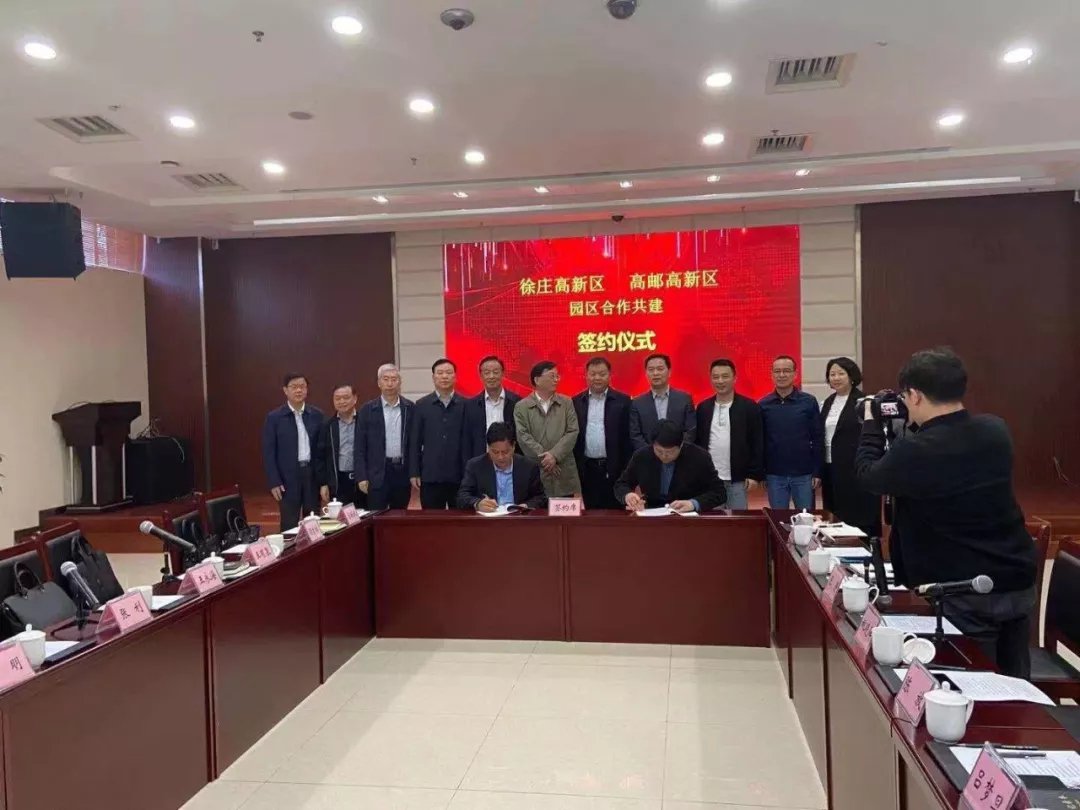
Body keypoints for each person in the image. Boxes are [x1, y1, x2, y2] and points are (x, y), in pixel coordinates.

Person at [855, 348, 1036, 678]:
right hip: (1015, 579)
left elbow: (869, 475)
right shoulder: (995, 430)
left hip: (963, 590)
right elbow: (944, 454)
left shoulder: (916, 451)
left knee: (972, 681)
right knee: (1016, 681)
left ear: (915, 395)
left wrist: (871, 422)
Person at [820, 357, 881, 536]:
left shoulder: (864, 401)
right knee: (833, 511)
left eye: (841, 373)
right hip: (830, 466)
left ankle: (863, 545)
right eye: (832, 374)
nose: (836, 378)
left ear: (851, 376)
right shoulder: (828, 402)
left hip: (854, 466)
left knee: (856, 512)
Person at [694, 359, 764, 509]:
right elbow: (698, 443)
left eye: (725, 376)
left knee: (738, 520)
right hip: (710, 479)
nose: (720, 381)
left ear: (734, 378)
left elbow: (757, 442)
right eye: (716, 377)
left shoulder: (749, 407)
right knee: (712, 521)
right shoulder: (703, 408)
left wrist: (754, 475)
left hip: (738, 480)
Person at [615, 419, 726, 513]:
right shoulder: (642, 456)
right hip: (652, 514)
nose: (664, 456)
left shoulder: (699, 457)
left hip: (687, 515)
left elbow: (719, 492)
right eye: (659, 451)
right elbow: (621, 484)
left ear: (681, 445)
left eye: (670, 452)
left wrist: (693, 504)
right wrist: (627, 495)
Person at [261, 372, 325, 531]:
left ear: (307, 389)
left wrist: (324, 481)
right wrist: (274, 481)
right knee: (289, 524)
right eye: (294, 387)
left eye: (302, 386)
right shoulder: (274, 418)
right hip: (287, 478)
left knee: (313, 522)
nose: (298, 390)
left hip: (311, 475)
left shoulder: (317, 415)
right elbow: (269, 452)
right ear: (285, 390)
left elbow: (323, 450)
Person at [759, 355, 823, 510]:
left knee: (806, 518)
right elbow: (760, 441)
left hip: (804, 474)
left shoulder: (808, 401)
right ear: (772, 374)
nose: (782, 375)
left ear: (795, 374)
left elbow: (818, 438)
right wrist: (761, 473)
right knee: (778, 519)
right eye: (777, 371)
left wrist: (817, 472)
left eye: (786, 371)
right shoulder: (763, 404)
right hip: (774, 475)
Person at [513, 360, 582, 497]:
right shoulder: (522, 406)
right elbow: (523, 436)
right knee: (537, 507)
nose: (556, 380)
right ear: (537, 380)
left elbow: (572, 431)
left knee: (565, 509)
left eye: (557, 376)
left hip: (563, 471)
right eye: (552, 376)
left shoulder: (566, 402)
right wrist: (546, 459)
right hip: (536, 471)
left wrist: (554, 455)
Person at [572, 356, 632, 509]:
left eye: (602, 374)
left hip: (615, 469)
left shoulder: (624, 401)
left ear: (610, 375)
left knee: (615, 515)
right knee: (589, 515)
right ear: (586, 376)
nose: (597, 378)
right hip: (586, 469)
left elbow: (627, 439)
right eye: (593, 374)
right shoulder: (576, 402)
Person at [409, 358, 467, 509]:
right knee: (432, 519)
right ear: (433, 377)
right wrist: (414, 472)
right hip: (430, 475)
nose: (444, 376)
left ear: (455, 376)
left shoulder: (466, 405)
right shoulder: (421, 405)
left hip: (460, 476)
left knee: (461, 519)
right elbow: (414, 442)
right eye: (440, 373)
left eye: (448, 373)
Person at [356, 364, 415, 510]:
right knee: (376, 516)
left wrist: (414, 472)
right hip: (376, 473)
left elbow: (415, 444)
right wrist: (362, 476)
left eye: (394, 379)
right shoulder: (367, 410)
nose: (390, 384)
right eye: (386, 379)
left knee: (400, 516)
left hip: (402, 472)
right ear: (379, 383)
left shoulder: (410, 408)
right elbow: (359, 446)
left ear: (400, 382)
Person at [457, 422, 548, 512]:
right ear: (488, 448)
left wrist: (525, 506)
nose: (500, 457)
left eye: (505, 452)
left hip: (518, 518)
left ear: (513, 446)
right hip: (489, 518)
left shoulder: (528, 467)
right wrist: (477, 503)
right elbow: (462, 496)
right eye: (495, 452)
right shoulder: (475, 466)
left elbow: (540, 497)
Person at [314, 383, 366, 509]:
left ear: (355, 398)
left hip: (362, 481)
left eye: (346, 397)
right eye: (337, 398)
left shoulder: (365, 422)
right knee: (341, 519)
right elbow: (320, 456)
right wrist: (323, 483)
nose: (342, 401)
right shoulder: (328, 426)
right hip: (339, 482)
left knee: (365, 517)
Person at [629, 353, 696, 450]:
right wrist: (652, 453)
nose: (655, 373)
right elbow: (635, 435)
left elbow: (690, 430)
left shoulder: (684, 399)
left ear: (669, 372)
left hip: (679, 454)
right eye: (651, 370)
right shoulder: (637, 403)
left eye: (660, 369)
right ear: (646, 373)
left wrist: (675, 451)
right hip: (648, 456)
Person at [463, 355, 521, 459]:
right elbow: (466, 440)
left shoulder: (517, 403)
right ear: (481, 376)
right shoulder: (470, 406)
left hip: (511, 461)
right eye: (487, 373)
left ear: (503, 374)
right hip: (481, 461)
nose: (491, 376)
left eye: (495, 372)